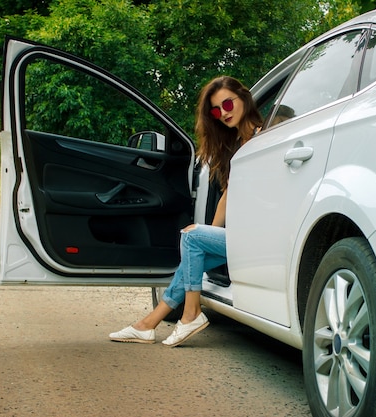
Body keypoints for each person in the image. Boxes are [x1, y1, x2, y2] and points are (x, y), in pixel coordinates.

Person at [109, 76, 263, 347]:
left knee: (191, 237)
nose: (223, 113)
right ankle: (147, 325)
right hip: (241, 237)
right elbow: (227, 196)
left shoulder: (267, 136)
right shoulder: (239, 143)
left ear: (244, 97)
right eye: (216, 110)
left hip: (261, 237)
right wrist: (211, 233)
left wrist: (202, 235)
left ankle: (190, 314)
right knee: (194, 253)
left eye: (228, 103)